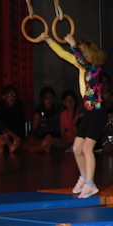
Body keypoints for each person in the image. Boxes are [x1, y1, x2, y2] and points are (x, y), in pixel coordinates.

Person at [41, 33, 108, 198]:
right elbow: (63, 54)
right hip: (88, 113)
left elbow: (83, 62)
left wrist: (72, 44)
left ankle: (91, 184)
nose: (78, 56)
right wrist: (48, 40)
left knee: (87, 148)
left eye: (81, 52)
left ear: (89, 54)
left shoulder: (95, 69)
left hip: (98, 113)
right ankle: (84, 177)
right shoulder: (82, 67)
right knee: (77, 148)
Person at [24, 87, 62, 153]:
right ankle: (42, 148)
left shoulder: (57, 109)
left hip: (54, 136)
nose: (49, 100)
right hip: (41, 136)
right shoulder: (39, 111)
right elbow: (34, 129)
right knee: (28, 145)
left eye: (51, 98)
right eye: (46, 98)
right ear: (43, 99)